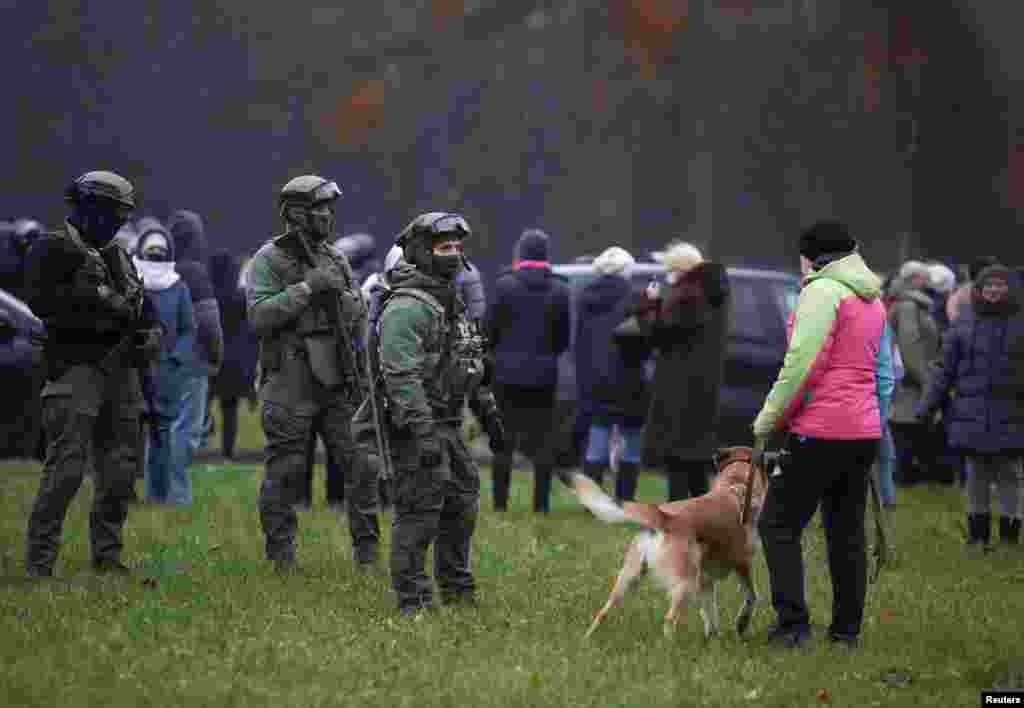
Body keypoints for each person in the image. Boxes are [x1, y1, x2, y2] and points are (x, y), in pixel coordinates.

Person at [752, 220, 889, 649]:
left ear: (812, 256)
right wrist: (874, 421)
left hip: (820, 429)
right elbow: (882, 372)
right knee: (846, 533)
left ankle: (792, 627)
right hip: (862, 431)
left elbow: (802, 364)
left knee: (777, 524)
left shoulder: (822, 291)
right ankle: (846, 633)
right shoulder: (871, 297)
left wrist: (769, 419)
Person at [23, 170, 161, 577]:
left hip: (121, 371)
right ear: (90, 209)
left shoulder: (118, 255)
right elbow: (40, 302)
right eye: (114, 213)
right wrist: (94, 297)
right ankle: (40, 562)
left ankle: (107, 556)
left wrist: (152, 331)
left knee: (120, 472)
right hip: (75, 368)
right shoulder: (52, 247)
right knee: (66, 469)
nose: (119, 222)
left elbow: (142, 305)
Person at [373, 211, 505, 615]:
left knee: (462, 506)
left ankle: (458, 593)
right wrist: (422, 431)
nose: (454, 254)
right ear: (421, 252)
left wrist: (489, 414)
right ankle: (413, 601)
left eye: (458, 247)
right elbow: (400, 375)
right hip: (417, 428)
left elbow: (469, 363)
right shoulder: (406, 308)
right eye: (445, 247)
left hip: (449, 423)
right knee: (419, 514)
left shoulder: (452, 302)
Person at [245, 175, 379, 573]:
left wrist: (345, 300)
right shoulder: (268, 259)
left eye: (330, 210)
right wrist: (307, 289)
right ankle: (281, 558)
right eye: (320, 209)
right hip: (290, 380)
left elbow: (358, 312)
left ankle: (368, 556)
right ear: (298, 213)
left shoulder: (335, 257)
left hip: (337, 379)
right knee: (285, 472)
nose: (328, 217)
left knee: (362, 466)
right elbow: (259, 315)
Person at [917, 263, 1024, 551]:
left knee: (1010, 474)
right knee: (976, 474)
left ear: (1009, 288)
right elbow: (943, 369)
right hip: (971, 412)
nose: (994, 290)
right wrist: (927, 406)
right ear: (979, 288)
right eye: (988, 285)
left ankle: (1010, 537)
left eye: (999, 285)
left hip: (1013, 413)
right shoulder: (963, 323)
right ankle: (978, 536)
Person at [634, 241, 730, 501]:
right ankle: (705, 513)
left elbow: (658, 333)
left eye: (669, 269)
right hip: (703, 384)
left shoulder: (688, 296)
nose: (668, 275)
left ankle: (677, 513)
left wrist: (649, 305)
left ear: (679, 270)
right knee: (694, 458)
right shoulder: (714, 293)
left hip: (679, 384)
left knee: (676, 456)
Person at [485, 228, 570, 512]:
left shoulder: (503, 286)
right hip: (544, 375)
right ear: (546, 255)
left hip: (506, 375)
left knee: (503, 441)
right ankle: (541, 505)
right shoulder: (560, 289)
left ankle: (500, 504)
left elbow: (489, 332)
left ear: (520, 254)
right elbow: (562, 339)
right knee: (543, 442)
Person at [575, 246, 649, 502]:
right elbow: (641, 345)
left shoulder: (585, 298)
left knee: (597, 441)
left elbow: (580, 344)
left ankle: (592, 501)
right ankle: (625, 500)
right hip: (629, 378)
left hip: (596, 380)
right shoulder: (634, 299)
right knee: (631, 442)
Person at [132, 223, 196, 504]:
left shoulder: (178, 287)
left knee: (162, 435)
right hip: (135, 370)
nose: (155, 255)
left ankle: (157, 495)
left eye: (160, 251)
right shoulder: (132, 284)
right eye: (151, 251)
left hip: (167, 373)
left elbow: (188, 328)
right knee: (130, 435)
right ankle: (123, 493)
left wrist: (176, 358)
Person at [166, 210, 223, 458]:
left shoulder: (157, 269)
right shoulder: (195, 273)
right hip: (192, 361)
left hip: (161, 361)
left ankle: (158, 479)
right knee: (186, 431)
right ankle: (174, 481)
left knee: (163, 428)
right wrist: (216, 355)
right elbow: (209, 323)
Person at [888, 260, 946, 486]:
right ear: (913, 280)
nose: (928, 280)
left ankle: (908, 473)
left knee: (911, 422)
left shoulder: (913, 304)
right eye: (924, 276)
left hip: (913, 372)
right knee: (906, 422)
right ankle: (903, 474)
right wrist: (924, 377)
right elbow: (909, 343)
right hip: (911, 375)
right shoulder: (908, 307)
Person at [208, 250, 258, 460]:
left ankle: (196, 445)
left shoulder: (208, 297)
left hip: (211, 358)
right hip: (233, 362)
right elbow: (250, 332)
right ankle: (227, 451)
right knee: (229, 409)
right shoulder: (239, 299)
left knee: (202, 405)